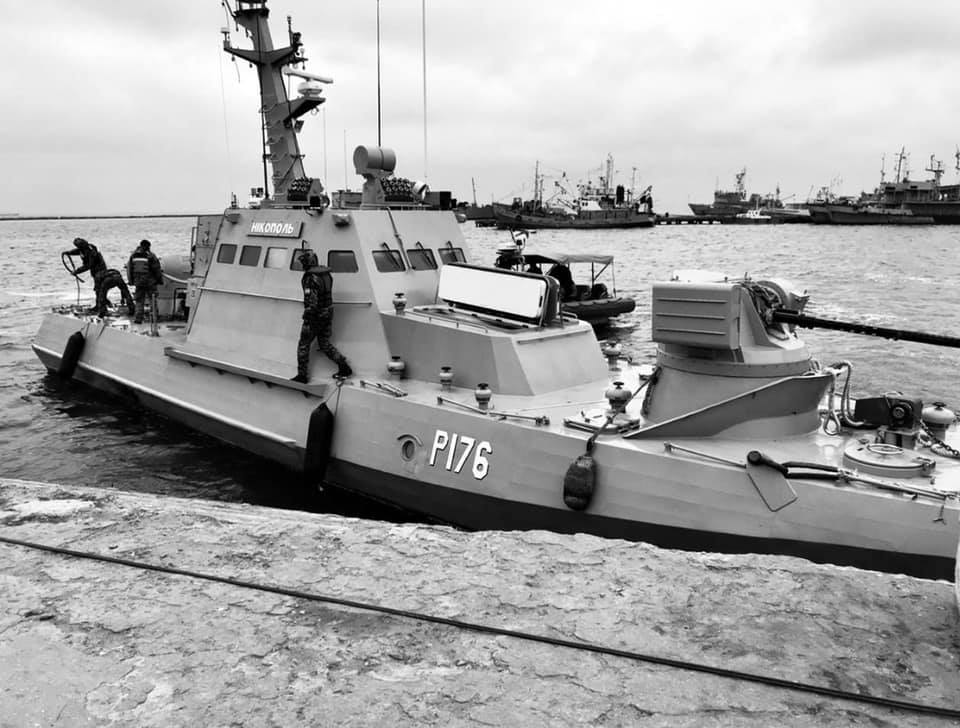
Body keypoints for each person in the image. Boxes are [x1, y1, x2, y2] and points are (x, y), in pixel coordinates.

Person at [292, 247, 352, 383]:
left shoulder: (310, 278)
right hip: (328, 312)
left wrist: (307, 315)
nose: (302, 266)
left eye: (303, 263)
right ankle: (344, 366)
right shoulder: (326, 275)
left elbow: (312, 301)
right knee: (324, 343)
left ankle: (302, 375)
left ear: (307, 263)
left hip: (316, 315)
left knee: (303, 344)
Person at [63, 237, 134, 317]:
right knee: (100, 291)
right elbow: (78, 251)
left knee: (99, 291)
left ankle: (102, 308)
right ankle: (101, 306)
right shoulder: (84, 249)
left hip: (100, 272)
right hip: (100, 273)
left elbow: (89, 265)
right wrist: (69, 253)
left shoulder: (91, 252)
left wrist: (77, 271)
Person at [126, 239, 164, 325]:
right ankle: (154, 318)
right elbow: (156, 269)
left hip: (139, 283)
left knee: (139, 301)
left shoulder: (133, 255)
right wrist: (160, 280)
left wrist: (131, 281)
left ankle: (138, 318)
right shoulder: (151, 256)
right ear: (148, 247)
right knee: (152, 300)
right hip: (150, 283)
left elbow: (129, 269)